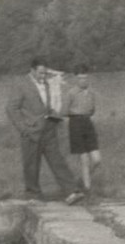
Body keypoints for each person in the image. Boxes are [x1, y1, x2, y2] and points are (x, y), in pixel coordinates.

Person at [6, 58, 83, 204]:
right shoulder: (21, 85)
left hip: (48, 128)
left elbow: (49, 103)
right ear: (32, 70)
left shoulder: (48, 84)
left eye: (45, 73)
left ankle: (71, 192)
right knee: (31, 165)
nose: (43, 76)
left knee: (57, 161)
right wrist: (23, 128)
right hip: (31, 131)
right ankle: (33, 195)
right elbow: (11, 108)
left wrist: (54, 117)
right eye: (40, 73)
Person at [64, 65, 101, 194]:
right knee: (84, 158)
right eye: (80, 78)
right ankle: (87, 188)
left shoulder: (91, 93)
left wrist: (87, 117)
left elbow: (92, 110)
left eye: (85, 78)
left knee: (97, 159)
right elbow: (65, 111)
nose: (83, 81)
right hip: (75, 123)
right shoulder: (71, 93)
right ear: (75, 79)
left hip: (87, 123)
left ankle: (83, 179)